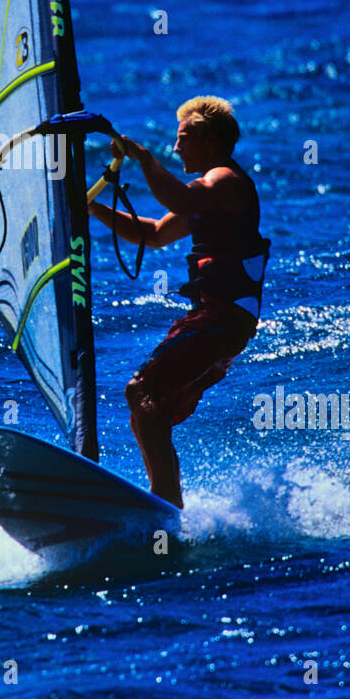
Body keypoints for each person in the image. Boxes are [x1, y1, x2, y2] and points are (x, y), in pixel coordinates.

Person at [87, 96, 270, 509]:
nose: (176, 148)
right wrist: (92, 208)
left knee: (142, 392)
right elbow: (152, 234)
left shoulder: (223, 181)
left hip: (222, 320)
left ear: (207, 139)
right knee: (152, 408)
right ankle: (168, 505)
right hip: (215, 320)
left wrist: (144, 159)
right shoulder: (209, 195)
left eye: (183, 139)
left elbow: (180, 200)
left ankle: (165, 503)